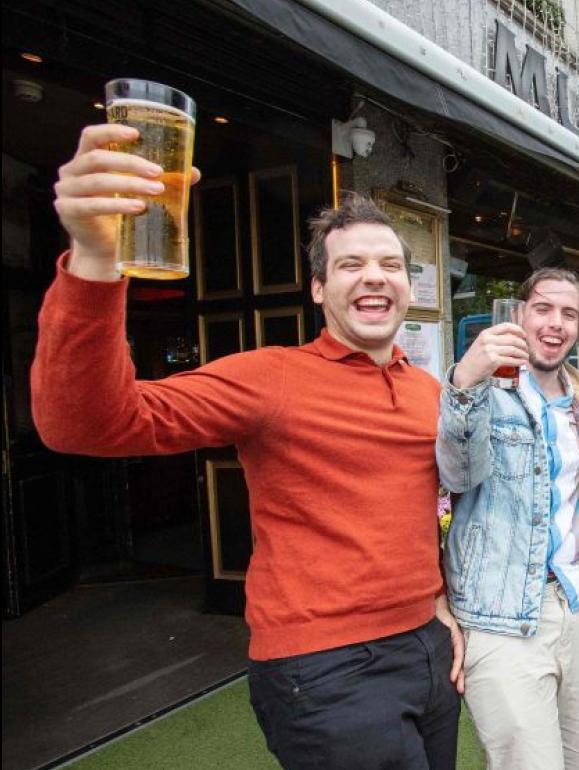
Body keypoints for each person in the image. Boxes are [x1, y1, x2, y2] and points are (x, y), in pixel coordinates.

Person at [33, 124, 462, 770]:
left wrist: (439, 605)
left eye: (390, 265)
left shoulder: (428, 390)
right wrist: (95, 257)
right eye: (350, 265)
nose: (374, 277)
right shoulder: (270, 377)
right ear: (318, 289)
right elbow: (90, 422)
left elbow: (424, 510)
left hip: (427, 652)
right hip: (326, 669)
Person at [436, 268, 579, 769]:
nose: (555, 323)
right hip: (502, 619)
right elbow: (456, 472)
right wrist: (463, 381)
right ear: (519, 315)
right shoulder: (485, 392)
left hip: (578, 605)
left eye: (569, 313)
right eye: (543, 308)